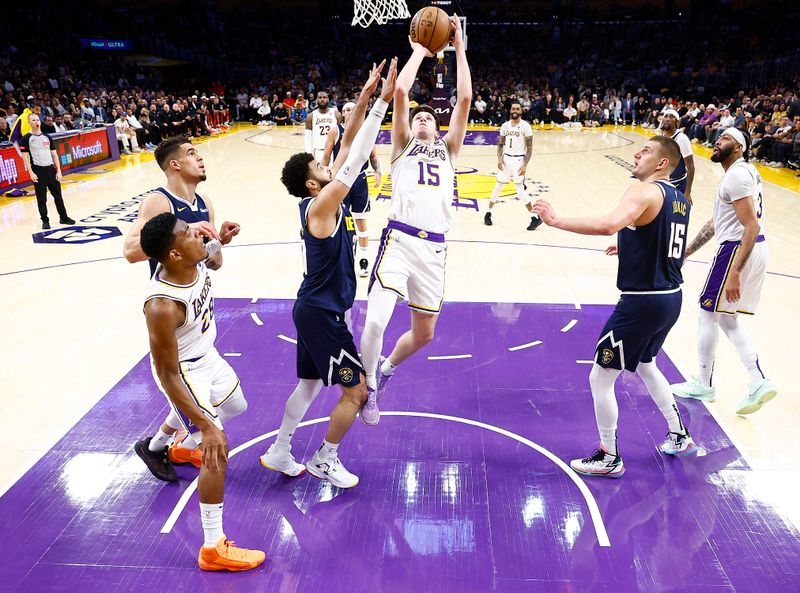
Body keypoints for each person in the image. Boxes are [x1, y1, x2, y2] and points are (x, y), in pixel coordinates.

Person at [259, 59, 397, 488]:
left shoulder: (319, 199)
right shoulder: (321, 207)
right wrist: (381, 107)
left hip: (314, 308)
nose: (329, 166)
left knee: (309, 385)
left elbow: (347, 140)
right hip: (321, 313)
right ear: (314, 186)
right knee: (355, 393)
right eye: (322, 170)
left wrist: (368, 93)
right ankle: (325, 457)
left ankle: (279, 450)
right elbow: (353, 158)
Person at [532, 136, 698, 478]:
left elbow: (610, 222)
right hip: (671, 298)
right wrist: (630, 246)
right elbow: (664, 240)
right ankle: (679, 434)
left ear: (662, 163)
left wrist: (555, 220)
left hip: (641, 303)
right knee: (648, 365)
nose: (637, 154)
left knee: (600, 376)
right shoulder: (679, 199)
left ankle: (609, 455)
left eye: (647, 151)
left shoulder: (643, 191)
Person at [358, 15, 470, 425]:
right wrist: (420, 51)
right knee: (374, 322)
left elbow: (463, 102)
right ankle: (368, 386)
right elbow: (402, 90)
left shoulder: (448, 151)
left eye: (428, 119)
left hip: (435, 248)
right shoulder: (402, 146)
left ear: (439, 129)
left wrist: (459, 50)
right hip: (400, 241)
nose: (422, 120)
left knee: (424, 334)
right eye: (417, 118)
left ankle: (384, 371)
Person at [138, 212, 263, 571]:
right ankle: (213, 548)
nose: (198, 233)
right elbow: (167, 373)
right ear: (174, 255)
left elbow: (215, 261)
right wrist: (206, 427)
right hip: (184, 370)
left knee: (236, 405)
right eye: (188, 234)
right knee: (217, 445)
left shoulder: (193, 254)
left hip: (208, 354)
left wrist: (220, 240)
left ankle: (174, 448)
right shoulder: (162, 305)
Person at [124, 136, 241, 466]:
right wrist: (187, 229)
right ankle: (180, 445)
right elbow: (131, 252)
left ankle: (160, 444)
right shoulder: (158, 202)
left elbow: (212, 261)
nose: (200, 158)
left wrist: (220, 242)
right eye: (192, 153)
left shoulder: (204, 201)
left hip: (197, 301)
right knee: (184, 384)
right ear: (175, 164)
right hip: (172, 308)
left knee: (218, 398)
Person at [671, 128, 777, 415]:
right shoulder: (745, 173)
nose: (718, 140)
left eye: (726, 138)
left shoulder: (737, 175)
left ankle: (705, 383)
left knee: (708, 312)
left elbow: (750, 226)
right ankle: (757, 380)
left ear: (740, 147)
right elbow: (718, 222)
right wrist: (687, 252)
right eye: (718, 137)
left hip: (737, 249)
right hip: (753, 248)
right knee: (727, 319)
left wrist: (733, 272)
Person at [321, 101, 382, 278]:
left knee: (361, 220)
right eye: (346, 109)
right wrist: (323, 178)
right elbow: (325, 157)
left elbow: (373, 156)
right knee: (340, 221)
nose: (349, 112)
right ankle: (342, 259)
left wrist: (377, 171)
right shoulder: (335, 131)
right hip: (340, 179)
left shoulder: (366, 132)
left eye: (352, 109)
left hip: (360, 180)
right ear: (342, 114)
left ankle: (363, 258)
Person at [484, 102, 542, 230]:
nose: (515, 110)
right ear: (510, 110)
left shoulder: (525, 126)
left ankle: (535, 218)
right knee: (498, 186)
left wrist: (525, 165)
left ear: (521, 111)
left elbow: (530, 148)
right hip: (506, 159)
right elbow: (500, 144)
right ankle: (488, 213)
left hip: (518, 161)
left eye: (517, 108)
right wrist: (499, 158)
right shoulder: (505, 126)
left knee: (520, 190)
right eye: (513, 108)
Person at [18, 113, 75, 229]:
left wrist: (58, 171)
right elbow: (25, 158)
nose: (36, 122)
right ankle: (45, 220)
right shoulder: (26, 138)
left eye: (37, 120)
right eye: (33, 120)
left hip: (50, 169)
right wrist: (31, 173)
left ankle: (63, 217)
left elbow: (54, 155)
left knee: (58, 196)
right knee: (41, 198)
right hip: (38, 171)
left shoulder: (47, 137)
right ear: (29, 123)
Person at [659, 109, 695, 204]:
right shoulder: (661, 137)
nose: (668, 119)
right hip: (663, 182)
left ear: (677, 122)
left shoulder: (681, 139)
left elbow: (690, 166)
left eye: (672, 117)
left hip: (678, 184)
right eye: (666, 116)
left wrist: (687, 192)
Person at [304, 91, 337, 164]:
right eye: (320, 98)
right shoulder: (310, 116)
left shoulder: (336, 114)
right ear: (316, 100)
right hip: (318, 151)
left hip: (333, 150)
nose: (322, 99)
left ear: (328, 99)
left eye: (324, 97)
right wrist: (308, 154)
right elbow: (308, 137)